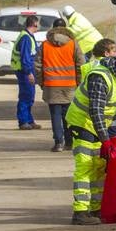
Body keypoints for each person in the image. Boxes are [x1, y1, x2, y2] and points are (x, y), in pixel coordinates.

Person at [64, 48, 116, 225]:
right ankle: (80, 213)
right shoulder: (100, 78)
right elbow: (95, 111)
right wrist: (105, 139)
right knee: (85, 166)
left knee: (98, 167)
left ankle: (97, 210)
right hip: (82, 124)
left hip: (97, 127)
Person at [35, 17, 83, 151]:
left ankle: (58, 143)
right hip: (69, 86)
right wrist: (78, 82)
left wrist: (42, 83)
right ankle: (69, 142)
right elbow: (81, 64)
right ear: (66, 29)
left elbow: (37, 66)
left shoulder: (45, 45)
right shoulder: (73, 44)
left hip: (51, 85)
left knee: (55, 115)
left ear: (53, 28)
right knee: (68, 115)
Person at [10, 15, 41, 130]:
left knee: (30, 96)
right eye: (38, 24)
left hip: (26, 70)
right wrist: (29, 73)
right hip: (24, 71)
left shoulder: (28, 36)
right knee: (26, 96)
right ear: (35, 24)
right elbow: (25, 57)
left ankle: (29, 120)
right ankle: (23, 121)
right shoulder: (26, 38)